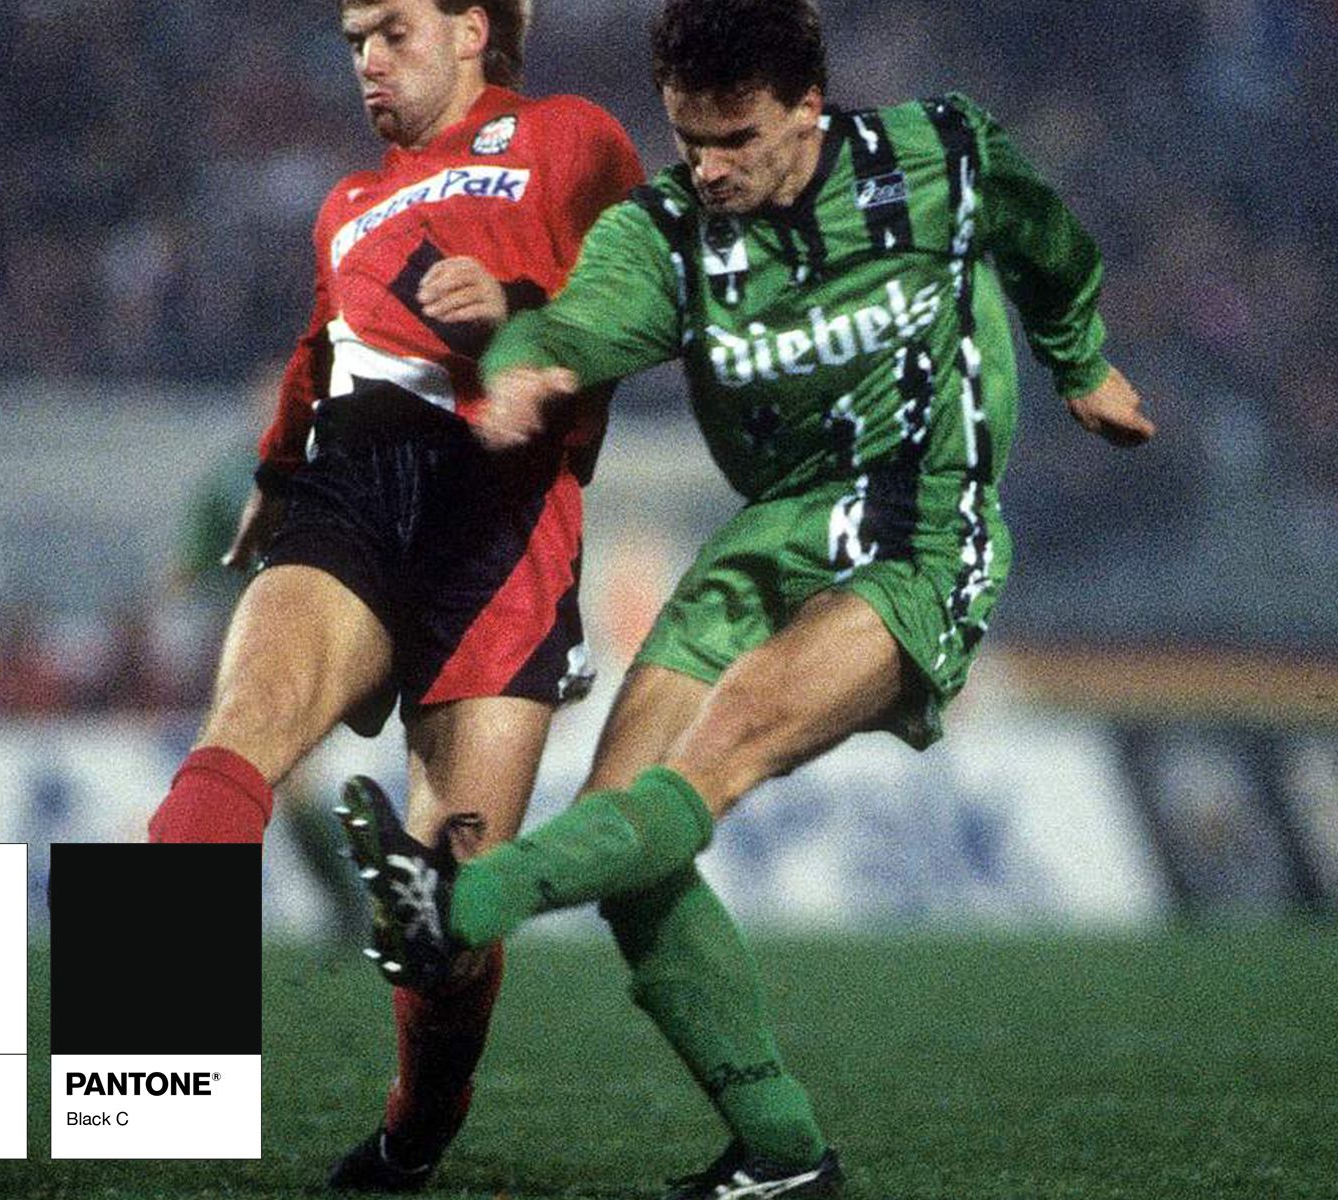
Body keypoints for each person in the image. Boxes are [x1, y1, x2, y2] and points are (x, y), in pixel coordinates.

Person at [338, 0, 1155, 1196]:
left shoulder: (940, 154)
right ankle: (781, 1151)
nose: (709, 169)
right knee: (625, 843)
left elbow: (1047, 242)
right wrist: (520, 371)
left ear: (808, 107)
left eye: (736, 140)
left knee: (712, 760)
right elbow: (569, 328)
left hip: (922, 532)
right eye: (688, 139)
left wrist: (1082, 362)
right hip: (771, 537)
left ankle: (459, 905)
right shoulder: (666, 230)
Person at [142, 0, 645, 1189]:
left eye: (393, 31)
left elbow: (654, 294)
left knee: (446, 906)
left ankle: (416, 1130)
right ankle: (136, 1077)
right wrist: (277, 468)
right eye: (353, 39)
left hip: (508, 512)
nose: (367, 58)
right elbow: (319, 347)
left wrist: (524, 315)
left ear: (471, 29)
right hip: (357, 482)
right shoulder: (347, 205)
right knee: (240, 736)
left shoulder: (571, 137)